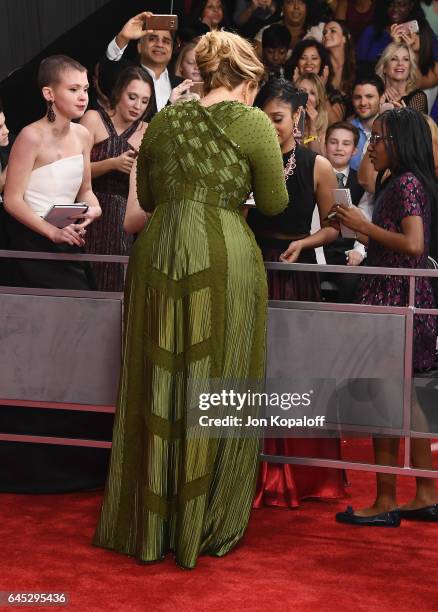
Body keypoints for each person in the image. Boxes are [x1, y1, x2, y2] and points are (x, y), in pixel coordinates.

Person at [94, 30, 288, 569]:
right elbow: (274, 201)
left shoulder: (165, 120)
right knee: (219, 375)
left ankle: (153, 522)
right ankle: (204, 520)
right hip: (222, 251)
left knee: (159, 375)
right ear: (247, 76)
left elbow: (150, 198)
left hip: (161, 252)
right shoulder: (252, 123)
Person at [0, 55, 104, 494]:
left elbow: (87, 193)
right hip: (29, 252)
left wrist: (90, 214)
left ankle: (76, 457)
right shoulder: (29, 136)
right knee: (31, 351)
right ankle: (30, 461)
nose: (82, 96)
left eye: (84, 89)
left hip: (70, 248)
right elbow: (12, 199)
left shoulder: (83, 134)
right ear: (49, 94)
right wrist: (50, 232)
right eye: (73, 89)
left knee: (73, 349)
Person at [334, 108, 438, 526]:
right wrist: (358, 228)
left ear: (399, 143)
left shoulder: (406, 182)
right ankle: (426, 490)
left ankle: (385, 499)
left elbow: (412, 244)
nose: (369, 145)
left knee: (386, 400)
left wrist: (363, 224)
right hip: (404, 298)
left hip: (394, 302)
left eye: (377, 138)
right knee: (408, 400)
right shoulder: (405, 181)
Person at [246, 78, 346, 509]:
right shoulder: (247, 158)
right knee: (251, 368)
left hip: (294, 269)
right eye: (263, 119)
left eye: (278, 119)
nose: (271, 128)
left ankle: (305, 474)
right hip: (250, 268)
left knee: (296, 371)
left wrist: (305, 244)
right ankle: (249, 471)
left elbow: (335, 225)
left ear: (297, 116)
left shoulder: (316, 164)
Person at [80, 67, 154, 291]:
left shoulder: (147, 131)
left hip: (123, 217)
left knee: (116, 283)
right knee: (85, 280)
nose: (137, 106)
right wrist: (112, 164)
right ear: (119, 93)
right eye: (132, 97)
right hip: (89, 211)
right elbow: (73, 172)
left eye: (144, 101)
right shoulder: (93, 119)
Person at [101, 12, 184, 116]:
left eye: (166, 41)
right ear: (139, 46)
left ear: (172, 49)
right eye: (152, 39)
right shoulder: (124, 74)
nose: (159, 44)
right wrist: (123, 37)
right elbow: (107, 74)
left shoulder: (181, 86)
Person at [322, 121, 365, 300]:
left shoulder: (362, 182)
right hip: (318, 249)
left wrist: (359, 251)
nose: (339, 148)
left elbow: (367, 219)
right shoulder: (313, 175)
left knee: (353, 281)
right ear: (324, 146)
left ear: (354, 150)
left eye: (346, 143)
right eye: (333, 142)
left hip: (348, 250)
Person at [289, 40, 347, 124]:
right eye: (303, 58)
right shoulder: (286, 89)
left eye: (314, 58)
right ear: (297, 62)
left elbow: (335, 124)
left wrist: (321, 90)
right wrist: (295, 88)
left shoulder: (333, 94)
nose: (308, 63)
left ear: (322, 63)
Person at [376, 41, 428, 112]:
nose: (400, 63)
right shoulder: (374, 94)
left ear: (410, 68)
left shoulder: (418, 97)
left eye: (406, 59)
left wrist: (399, 109)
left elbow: (415, 123)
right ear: (384, 67)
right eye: (394, 59)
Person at [349, 75, 386, 171]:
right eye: (357, 97)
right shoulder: (346, 130)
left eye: (369, 96)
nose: (363, 103)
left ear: (382, 98)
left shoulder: (391, 131)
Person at [295, 72, 329, 153]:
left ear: (318, 100)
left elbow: (315, 155)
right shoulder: (286, 116)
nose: (307, 97)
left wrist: (312, 127)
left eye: (312, 93)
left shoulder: (322, 121)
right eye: (302, 91)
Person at [322, 20, 356, 95]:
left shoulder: (358, 67)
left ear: (345, 38)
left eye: (333, 31)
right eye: (324, 33)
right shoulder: (321, 65)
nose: (326, 35)